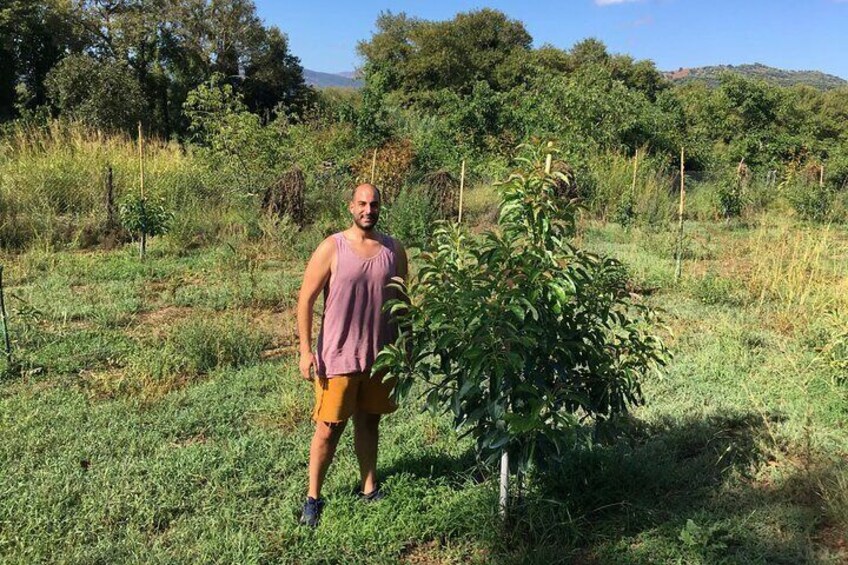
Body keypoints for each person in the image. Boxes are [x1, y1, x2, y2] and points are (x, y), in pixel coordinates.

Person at [295, 183, 408, 527]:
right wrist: (304, 350)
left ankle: (368, 487)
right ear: (350, 207)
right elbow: (305, 299)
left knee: (369, 421)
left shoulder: (393, 250)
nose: (368, 210)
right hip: (338, 355)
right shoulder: (333, 247)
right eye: (362, 204)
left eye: (374, 204)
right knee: (329, 429)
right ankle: (313, 497)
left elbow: (403, 302)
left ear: (380, 207)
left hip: (380, 355)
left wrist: (407, 348)